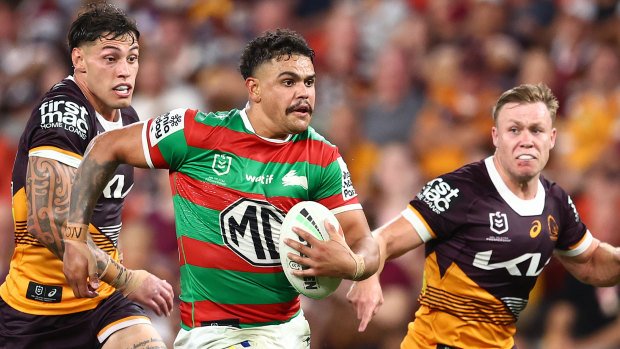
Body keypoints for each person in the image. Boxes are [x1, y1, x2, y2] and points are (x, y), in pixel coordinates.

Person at [62, 28, 379, 349]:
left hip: (285, 330)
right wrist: (75, 237)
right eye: (288, 82)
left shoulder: (322, 157)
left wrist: (354, 265)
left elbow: (364, 241)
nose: (304, 93)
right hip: (211, 333)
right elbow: (105, 147)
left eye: (309, 82)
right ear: (254, 90)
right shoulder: (195, 134)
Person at [347, 83, 620, 349]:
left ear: (551, 138)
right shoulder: (459, 189)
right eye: (514, 130)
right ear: (496, 137)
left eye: (536, 130)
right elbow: (383, 239)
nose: (526, 141)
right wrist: (367, 276)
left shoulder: (556, 202)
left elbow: (593, 263)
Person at [0, 3, 173, 348]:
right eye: (110, 58)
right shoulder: (63, 112)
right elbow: (46, 219)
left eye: (132, 58)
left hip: (102, 302)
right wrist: (127, 279)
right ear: (78, 60)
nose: (125, 70)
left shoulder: (127, 118)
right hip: (39, 308)